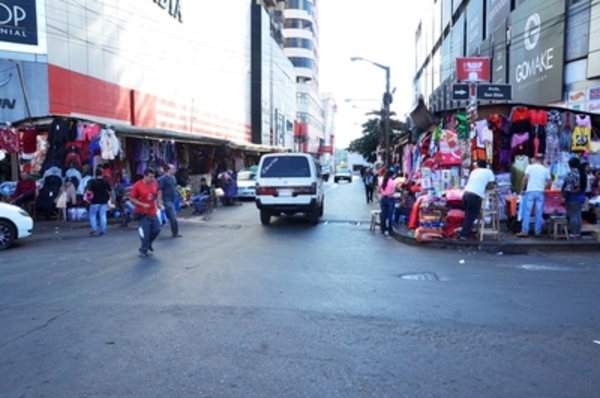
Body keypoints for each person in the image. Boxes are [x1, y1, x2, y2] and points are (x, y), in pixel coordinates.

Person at [458, 160, 496, 240]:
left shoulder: (474, 171)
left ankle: (467, 231)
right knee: (471, 216)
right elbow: (491, 185)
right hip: (475, 195)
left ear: (478, 165)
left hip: (466, 194)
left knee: (468, 215)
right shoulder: (488, 171)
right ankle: (463, 235)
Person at [516, 154, 551, 237]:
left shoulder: (530, 167)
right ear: (543, 160)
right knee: (539, 212)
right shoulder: (545, 170)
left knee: (527, 211)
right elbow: (549, 182)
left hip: (530, 191)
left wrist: (521, 190)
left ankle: (525, 231)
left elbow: (524, 179)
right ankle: (537, 231)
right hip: (540, 192)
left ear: (535, 159)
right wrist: (544, 186)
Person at [130, 167, 162, 257]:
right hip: (142, 213)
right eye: (150, 177)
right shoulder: (137, 185)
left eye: (153, 177)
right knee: (145, 233)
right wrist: (142, 204)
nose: (152, 179)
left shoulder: (154, 183)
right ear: (145, 176)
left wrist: (159, 202)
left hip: (152, 211)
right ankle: (143, 249)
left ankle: (148, 244)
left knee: (157, 229)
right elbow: (132, 198)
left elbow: (158, 192)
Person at [561, 157, 587, 239]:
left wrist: (564, 197)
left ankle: (573, 233)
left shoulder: (572, 174)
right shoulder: (582, 173)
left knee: (573, 216)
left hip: (572, 198)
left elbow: (568, 187)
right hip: (581, 196)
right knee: (578, 215)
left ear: (570, 165)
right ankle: (578, 233)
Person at [86, 168, 114, 236]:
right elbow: (110, 191)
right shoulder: (105, 182)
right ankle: (103, 230)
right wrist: (112, 199)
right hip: (104, 200)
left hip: (95, 201)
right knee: (103, 215)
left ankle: (94, 229)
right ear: (102, 173)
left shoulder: (92, 182)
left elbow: (88, 191)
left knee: (92, 215)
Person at [158, 163, 182, 238]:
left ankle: (173, 231)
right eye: (172, 169)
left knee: (170, 216)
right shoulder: (163, 179)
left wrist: (180, 195)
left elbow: (174, 187)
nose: (174, 170)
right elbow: (160, 190)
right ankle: (175, 232)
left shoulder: (173, 178)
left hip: (173, 199)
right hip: (167, 199)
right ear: (168, 170)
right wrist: (160, 200)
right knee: (173, 216)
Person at [378, 169, 396, 236]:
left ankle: (382, 229)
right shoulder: (393, 182)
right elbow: (393, 192)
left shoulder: (382, 181)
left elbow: (378, 190)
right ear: (391, 175)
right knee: (390, 215)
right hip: (390, 199)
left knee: (383, 215)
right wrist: (388, 194)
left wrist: (383, 193)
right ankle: (390, 230)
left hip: (383, 199)